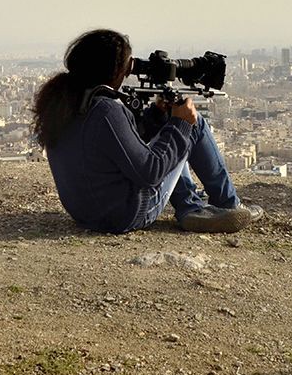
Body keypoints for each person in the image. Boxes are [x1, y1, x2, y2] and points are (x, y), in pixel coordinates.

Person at [33, 29, 264, 234]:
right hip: (125, 215)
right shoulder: (105, 111)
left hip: (85, 214)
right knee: (195, 124)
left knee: (172, 128)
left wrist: (155, 117)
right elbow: (150, 173)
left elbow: (122, 146)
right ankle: (226, 204)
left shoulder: (64, 102)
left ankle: (192, 206)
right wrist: (180, 124)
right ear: (113, 70)